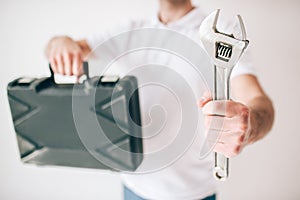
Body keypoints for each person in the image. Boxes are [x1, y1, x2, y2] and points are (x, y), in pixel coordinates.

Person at [45, 0, 274, 199]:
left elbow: (258, 101)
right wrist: (59, 43)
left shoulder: (223, 33)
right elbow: (75, 47)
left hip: (194, 193)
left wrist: (249, 125)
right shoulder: (132, 30)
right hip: (133, 187)